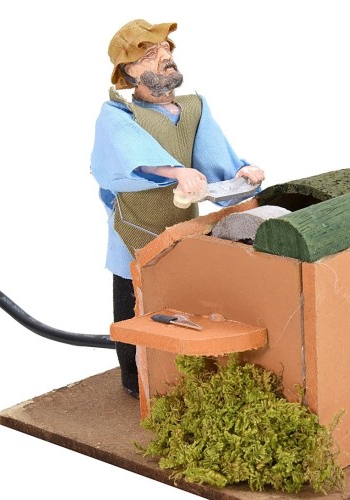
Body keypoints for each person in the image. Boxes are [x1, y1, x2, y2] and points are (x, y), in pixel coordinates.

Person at [90, 19, 264, 397]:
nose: (164, 58)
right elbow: (126, 156)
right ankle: (135, 379)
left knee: (179, 296)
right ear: (129, 71)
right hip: (133, 227)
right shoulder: (118, 113)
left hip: (181, 226)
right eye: (150, 55)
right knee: (133, 301)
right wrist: (173, 171)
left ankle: (177, 373)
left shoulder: (193, 108)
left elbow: (214, 157)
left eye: (166, 50)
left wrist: (240, 173)